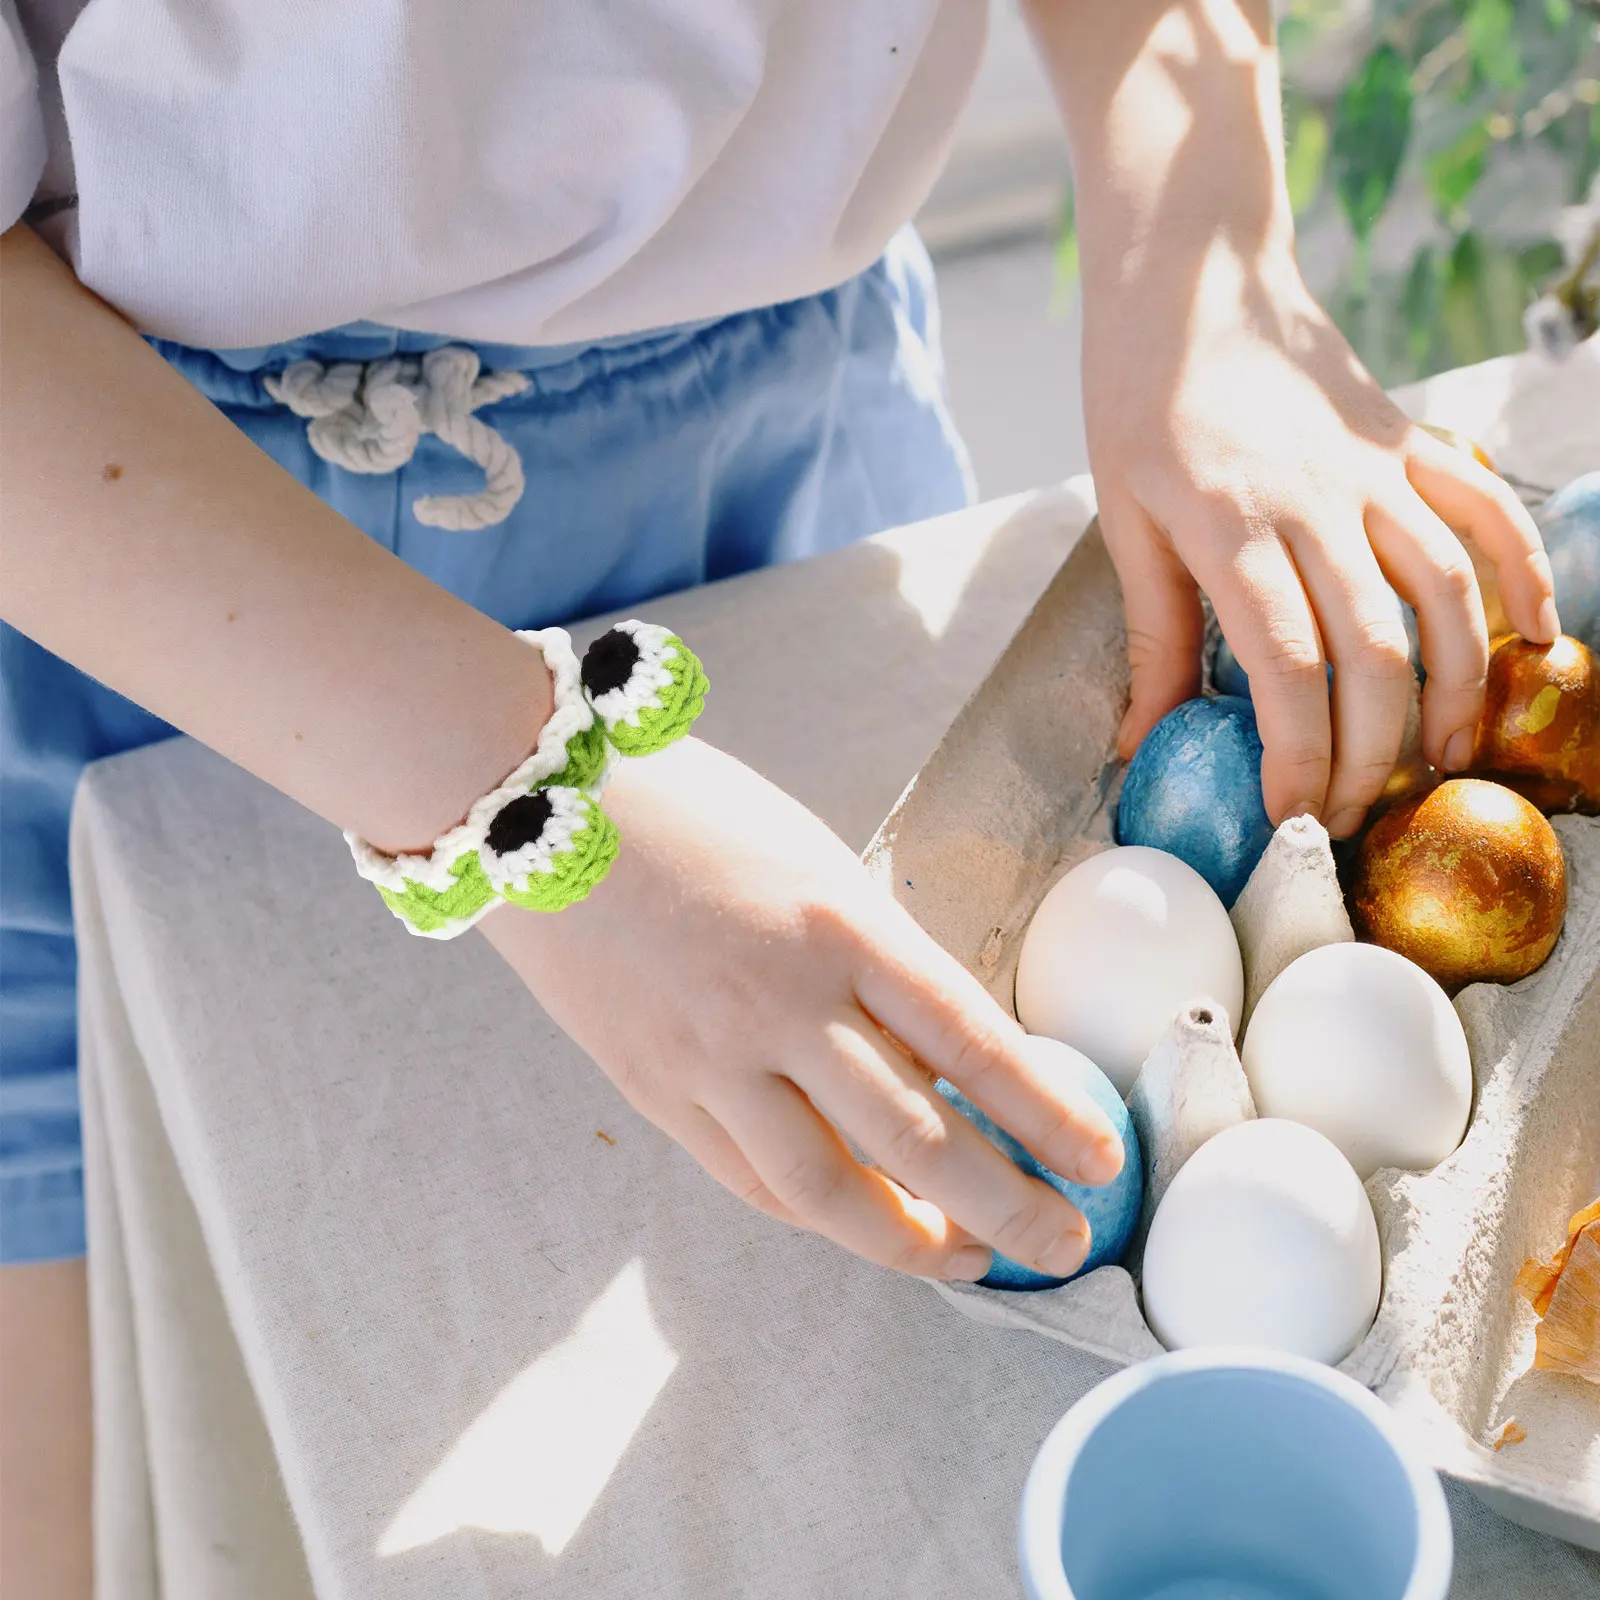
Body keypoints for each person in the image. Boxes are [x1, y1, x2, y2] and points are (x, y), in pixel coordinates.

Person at [0, 1, 1558, 1592]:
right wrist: (516, 784)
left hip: (787, 443)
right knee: (127, 1454)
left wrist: (1200, 240)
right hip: (133, 566)